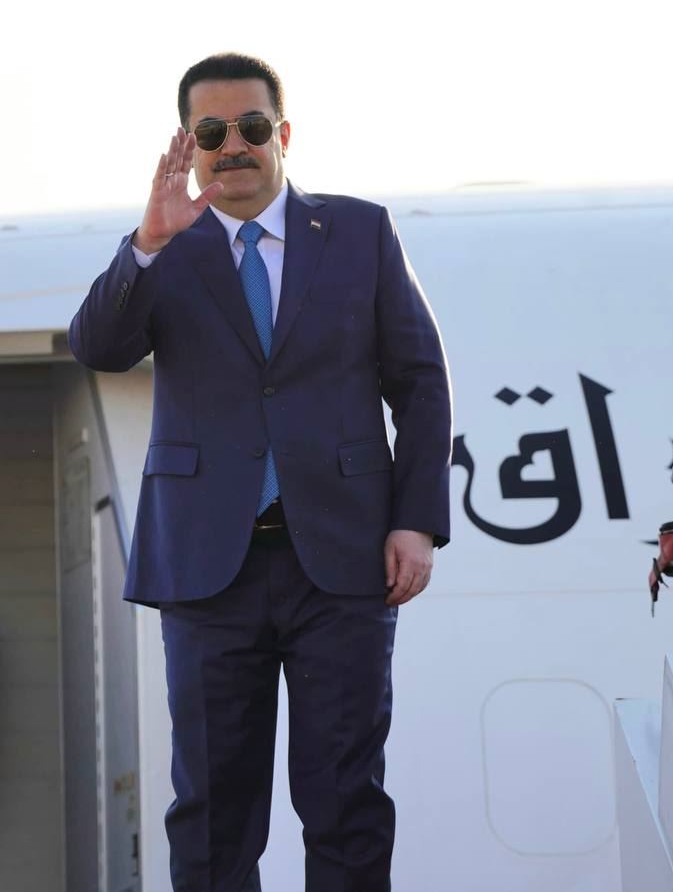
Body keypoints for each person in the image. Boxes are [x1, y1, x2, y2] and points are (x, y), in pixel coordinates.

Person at [68, 52, 452, 892]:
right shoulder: (164, 246)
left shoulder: (359, 232)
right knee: (212, 812)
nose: (232, 145)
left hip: (341, 562)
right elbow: (98, 348)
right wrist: (147, 243)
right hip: (208, 569)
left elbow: (420, 381)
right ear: (189, 145)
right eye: (211, 133)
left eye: (249, 126)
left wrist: (415, 520)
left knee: (347, 803)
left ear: (283, 134)